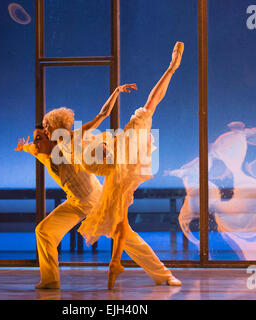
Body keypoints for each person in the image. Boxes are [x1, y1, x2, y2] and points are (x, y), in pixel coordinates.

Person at [15, 77, 182, 289]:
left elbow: (101, 115)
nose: (37, 142)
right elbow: (31, 147)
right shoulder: (42, 153)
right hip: (74, 203)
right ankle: (50, 280)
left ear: (52, 133)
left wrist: (116, 92)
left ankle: (164, 275)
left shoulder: (69, 142)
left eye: (41, 135)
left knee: (127, 238)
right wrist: (23, 147)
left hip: (96, 200)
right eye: (37, 137)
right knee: (44, 231)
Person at [74, 42, 184, 289]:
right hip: (119, 167)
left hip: (119, 162)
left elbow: (102, 115)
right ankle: (125, 265)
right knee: (121, 227)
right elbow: (95, 156)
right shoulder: (86, 154)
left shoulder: (86, 148)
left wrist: (115, 92)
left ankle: (120, 265)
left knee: (121, 227)